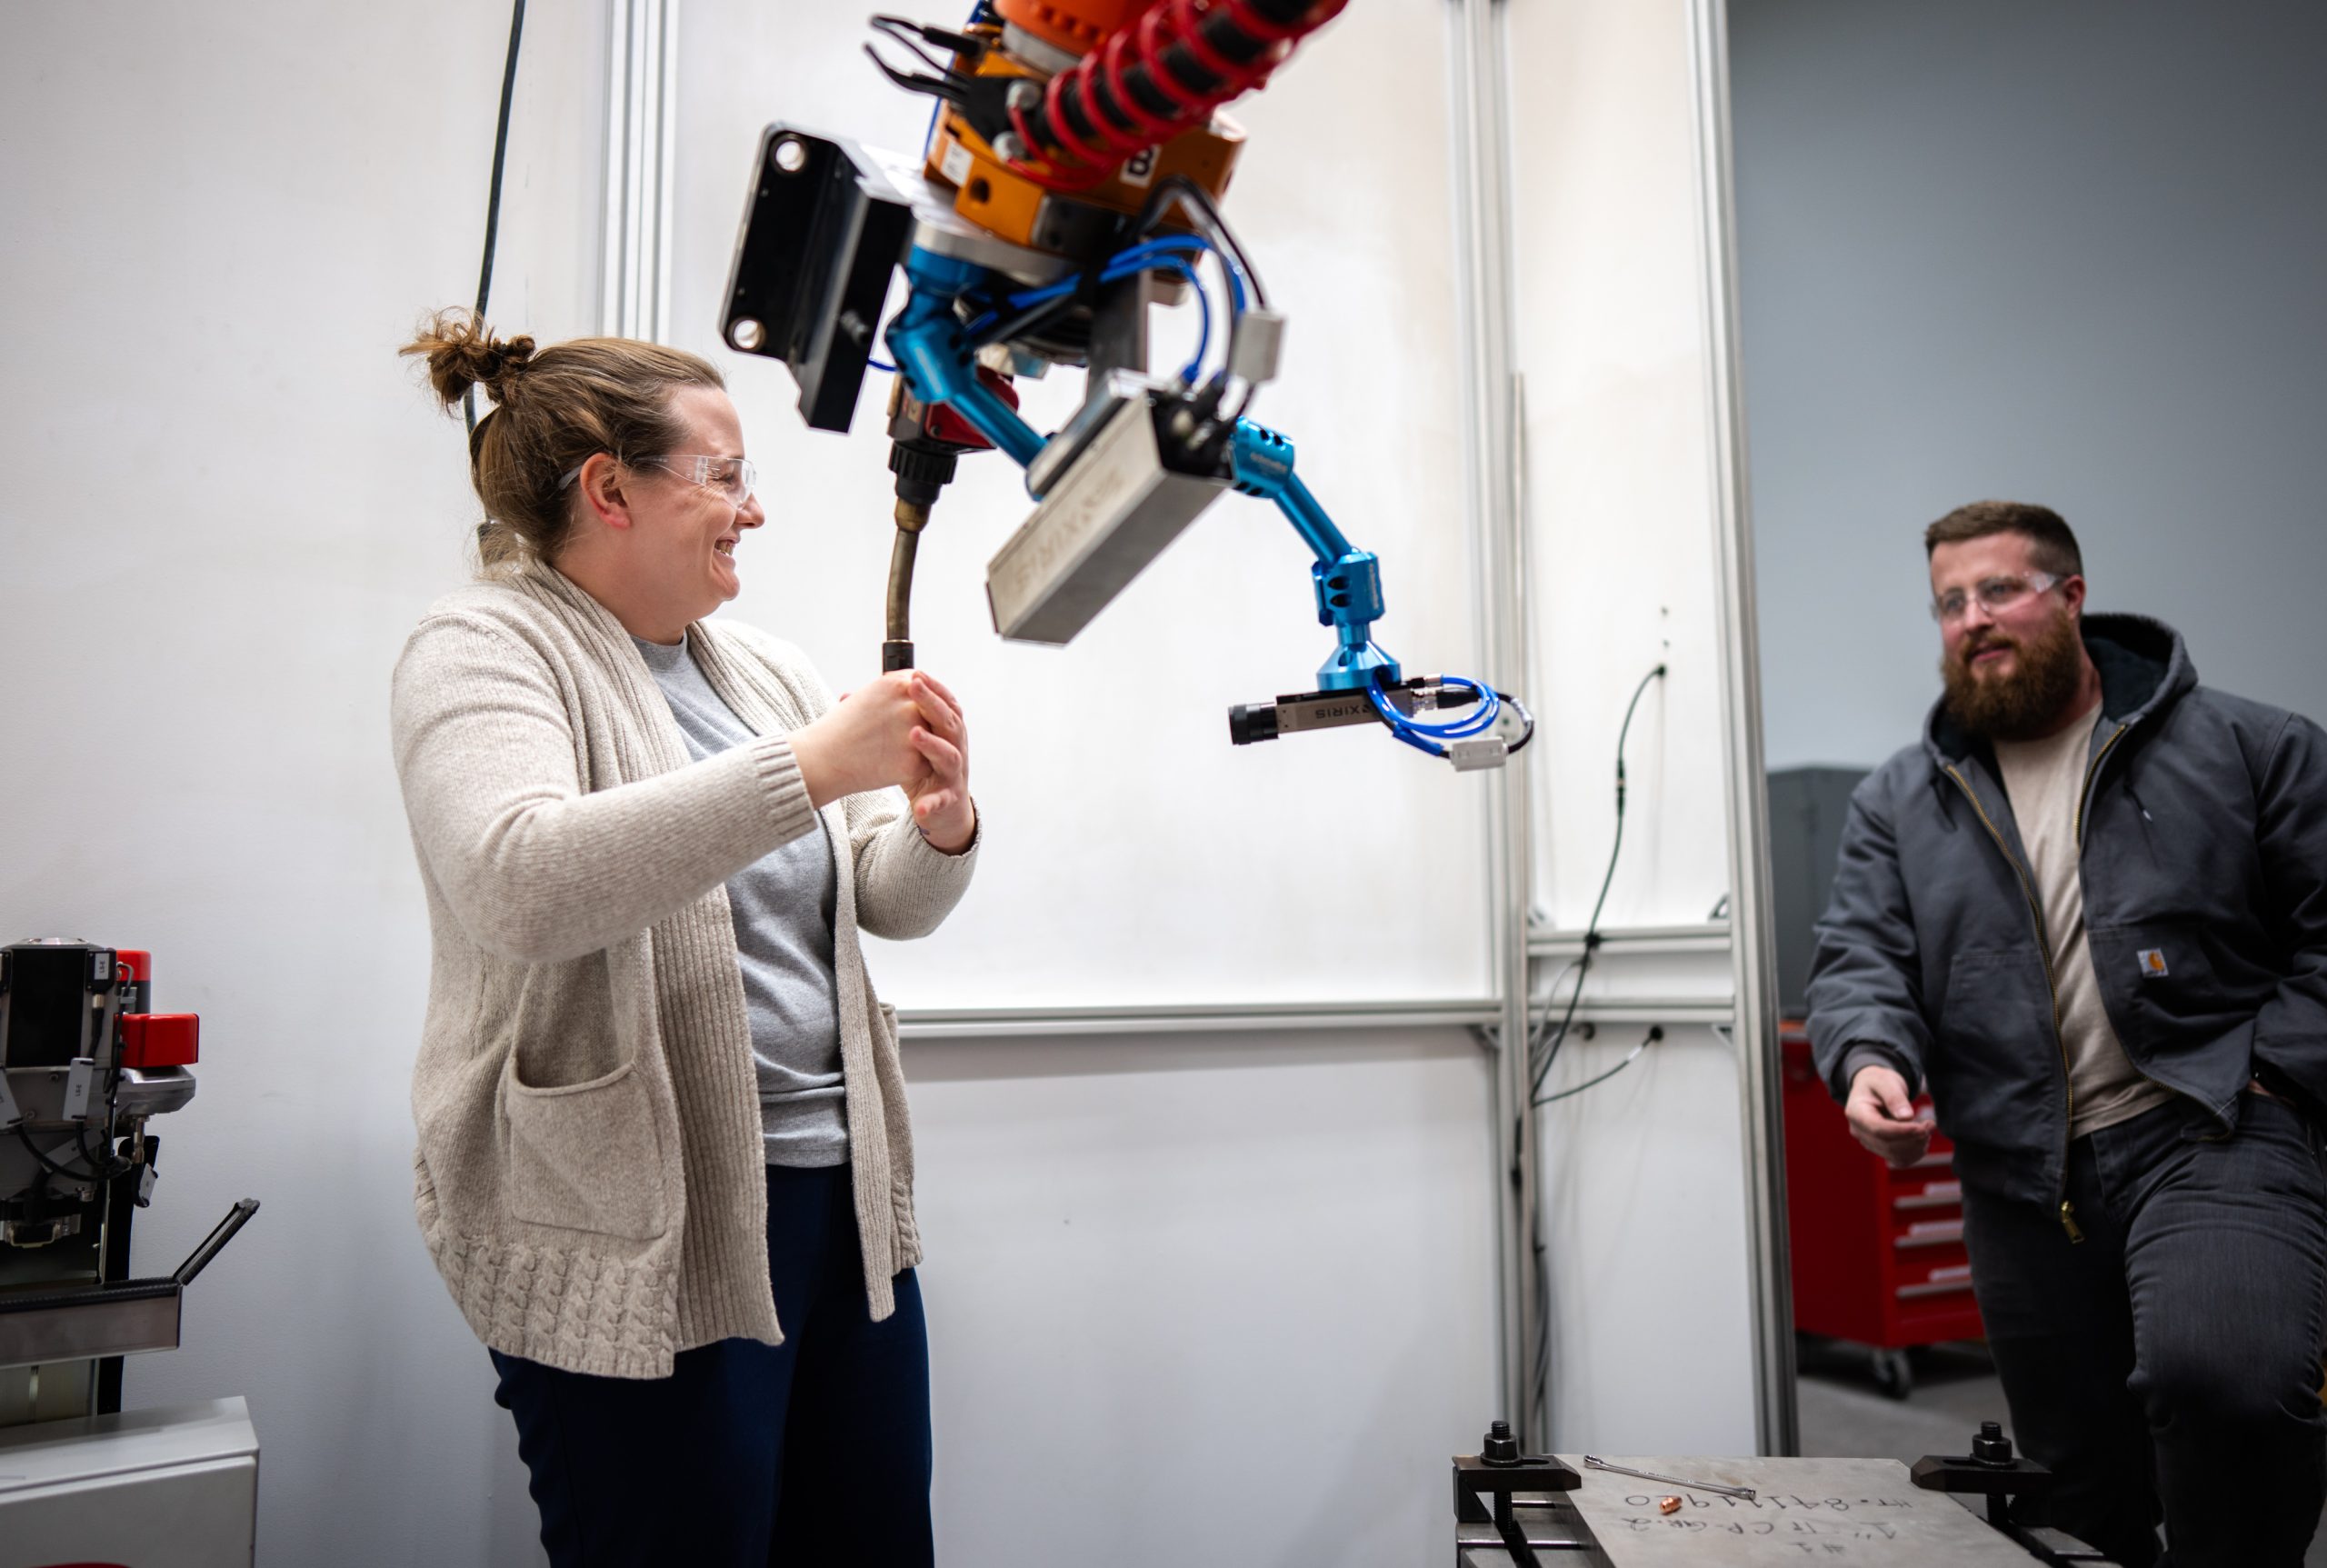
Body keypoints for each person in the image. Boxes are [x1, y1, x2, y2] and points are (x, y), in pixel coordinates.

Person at [390, 311, 977, 1567]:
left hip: (847, 1209)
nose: (749, 511)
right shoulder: (482, 644)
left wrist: (940, 826)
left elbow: (887, 903)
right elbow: (523, 880)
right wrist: (816, 765)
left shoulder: (761, 668)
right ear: (610, 490)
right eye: (724, 476)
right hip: (643, 1224)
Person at [1805, 500, 2327, 1568]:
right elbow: (1861, 957)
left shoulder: (2252, 747)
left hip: (2208, 1126)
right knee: (2076, 1484)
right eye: (1950, 602)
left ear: (2072, 598)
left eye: (1998, 590)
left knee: (2224, 1382)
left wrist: (2269, 1076)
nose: (1972, 620)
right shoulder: (1902, 801)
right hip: (2020, 1172)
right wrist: (1867, 1061)